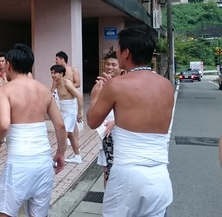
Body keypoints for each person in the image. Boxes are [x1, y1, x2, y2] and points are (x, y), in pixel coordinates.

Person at [87, 24, 174, 216]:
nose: (116, 53)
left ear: (126, 53)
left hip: (127, 175)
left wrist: (95, 98)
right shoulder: (166, 85)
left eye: (118, 48)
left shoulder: (116, 85)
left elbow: (92, 121)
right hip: (159, 175)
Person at [0, 43, 67, 217]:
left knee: (5, 213)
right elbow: (60, 125)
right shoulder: (43, 90)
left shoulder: (4, 90)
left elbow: (3, 124)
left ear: (9, 65)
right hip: (43, 161)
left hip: (19, 161)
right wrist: (60, 153)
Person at [92, 51, 123, 187]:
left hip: (121, 133)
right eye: (108, 64)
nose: (109, 67)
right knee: (106, 169)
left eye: (113, 65)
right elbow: (93, 111)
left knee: (119, 169)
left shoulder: (126, 84)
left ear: (121, 67)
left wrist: (117, 121)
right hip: (105, 133)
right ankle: (108, 200)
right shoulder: (100, 84)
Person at [51, 64, 84, 164]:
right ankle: (77, 157)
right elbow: (52, 93)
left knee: (63, 135)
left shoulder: (67, 83)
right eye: (51, 73)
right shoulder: (56, 83)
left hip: (71, 112)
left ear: (61, 74)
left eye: (55, 73)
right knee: (70, 136)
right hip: (63, 111)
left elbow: (80, 97)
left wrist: (79, 113)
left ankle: (58, 158)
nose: (53, 75)